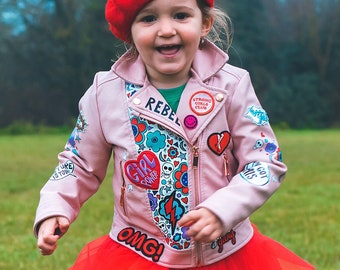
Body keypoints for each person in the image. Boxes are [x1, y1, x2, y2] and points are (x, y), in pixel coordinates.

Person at [34, 0, 315, 269]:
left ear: (205, 22)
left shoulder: (232, 85)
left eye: (181, 15)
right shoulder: (105, 93)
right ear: (129, 31)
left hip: (227, 252)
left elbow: (265, 161)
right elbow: (79, 165)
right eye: (148, 18)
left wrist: (223, 210)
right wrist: (55, 207)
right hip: (139, 251)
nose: (166, 29)